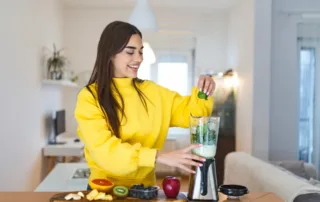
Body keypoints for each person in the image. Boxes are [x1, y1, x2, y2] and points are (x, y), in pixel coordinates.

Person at [74, 21, 216, 189]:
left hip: (145, 190)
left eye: (141, 52)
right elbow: (105, 152)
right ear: (110, 54)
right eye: (130, 52)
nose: (139, 58)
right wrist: (157, 156)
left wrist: (204, 90)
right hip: (104, 190)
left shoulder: (153, 92)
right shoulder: (90, 97)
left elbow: (193, 114)